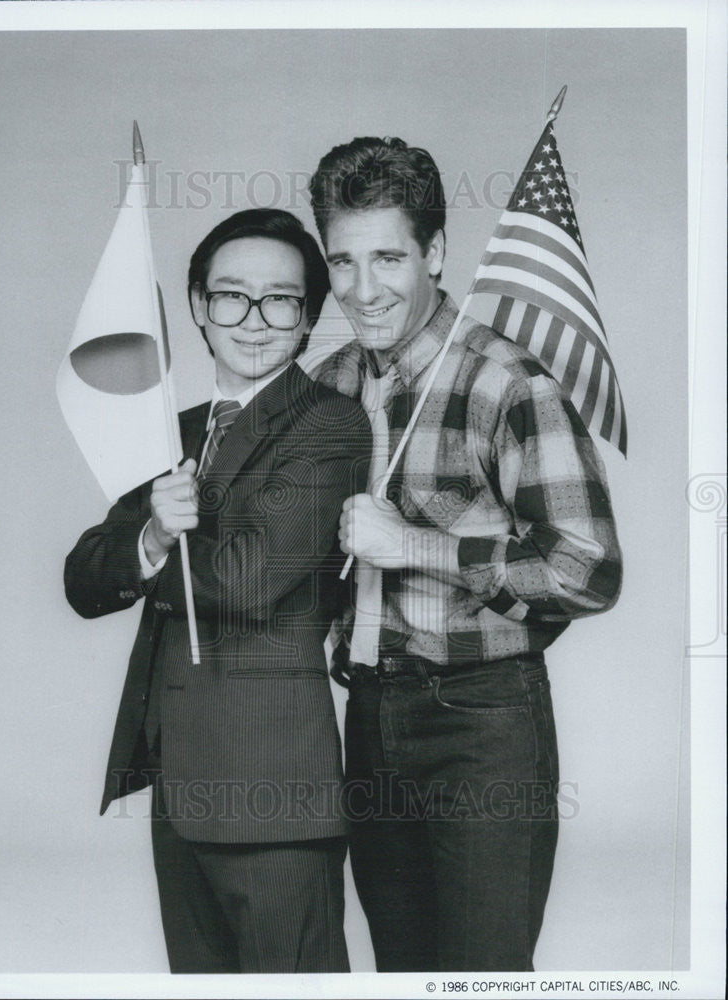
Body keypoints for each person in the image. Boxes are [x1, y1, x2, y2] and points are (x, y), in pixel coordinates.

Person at [309, 137, 622, 972]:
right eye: (342, 261)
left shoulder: (507, 383)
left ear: (435, 253)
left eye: (387, 257)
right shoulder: (327, 387)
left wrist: (412, 542)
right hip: (369, 718)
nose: (362, 289)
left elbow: (586, 571)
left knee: (481, 978)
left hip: (481, 722)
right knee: (402, 974)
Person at [64, 208, 371, 974]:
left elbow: (244, 581)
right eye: (232, 297)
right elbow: (84, 577)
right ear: (199, 306)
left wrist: (164, 542)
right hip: (181, 783)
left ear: (309, 318)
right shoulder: (172, 432)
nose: (255, 321)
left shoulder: (329, 427)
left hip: (273, 793)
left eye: (281, 301)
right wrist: (145, 538)